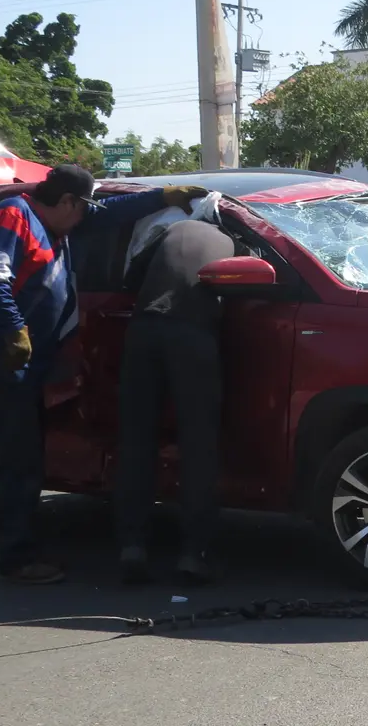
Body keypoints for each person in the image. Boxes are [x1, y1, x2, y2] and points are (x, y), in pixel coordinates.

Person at [0, 164, 206, 585]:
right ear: (66, 202)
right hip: (8, 364)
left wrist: (161, 197)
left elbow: (109, 212)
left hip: (38, 363)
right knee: (16, 463)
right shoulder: (12, 217)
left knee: (29, 459)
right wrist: (13, 330)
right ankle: (16, 557)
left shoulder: (56, 222)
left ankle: (24, 543)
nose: (85, 217)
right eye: (82, 208)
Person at [116, 219, 236, 586]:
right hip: (191, 335)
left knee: (136, 442)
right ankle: (194, 554)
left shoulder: (167, 232)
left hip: (143, 330)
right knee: (198, 446)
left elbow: (129, 277)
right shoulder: (231, 239)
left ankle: (131, 546)